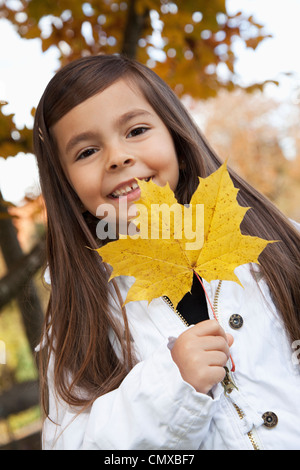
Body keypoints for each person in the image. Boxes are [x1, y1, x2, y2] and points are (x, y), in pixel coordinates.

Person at [33, 54, 300, 450]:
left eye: (136, 130)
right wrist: (169, 387)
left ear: (174, 132)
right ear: (65, 183)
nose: (118, 157)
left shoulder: (274, 242)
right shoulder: (81, 314)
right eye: (86, 152)